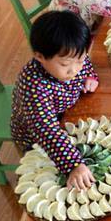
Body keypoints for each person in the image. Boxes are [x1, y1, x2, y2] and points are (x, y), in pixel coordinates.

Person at [11, 11, 100, 190]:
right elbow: (46, 130)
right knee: (46, 179)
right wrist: (73, 165)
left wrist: (90, 77)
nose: (74, 70)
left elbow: (86, 64)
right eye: (65, 65)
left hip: (67, 116)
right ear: (39, 57)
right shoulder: (33, 84)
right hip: (36, 136)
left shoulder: (73, 57)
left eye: (80, 60)